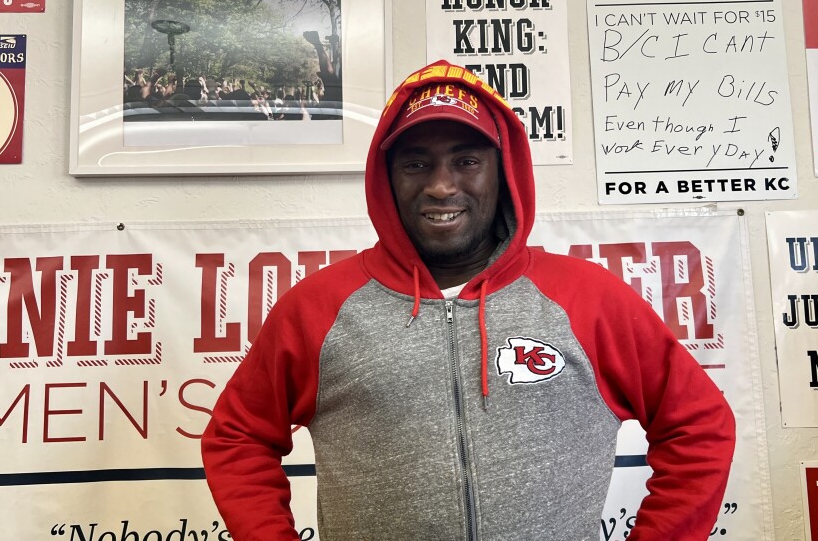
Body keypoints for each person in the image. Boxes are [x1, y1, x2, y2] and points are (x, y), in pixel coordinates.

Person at [201, 60, 736, 540]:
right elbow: (238, 437)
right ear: (386, 178)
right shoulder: (319, 308)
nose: (440, 186)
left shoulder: (587, 299)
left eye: (466, 161)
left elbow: (700, 424)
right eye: (415, 164)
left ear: (502, 173)